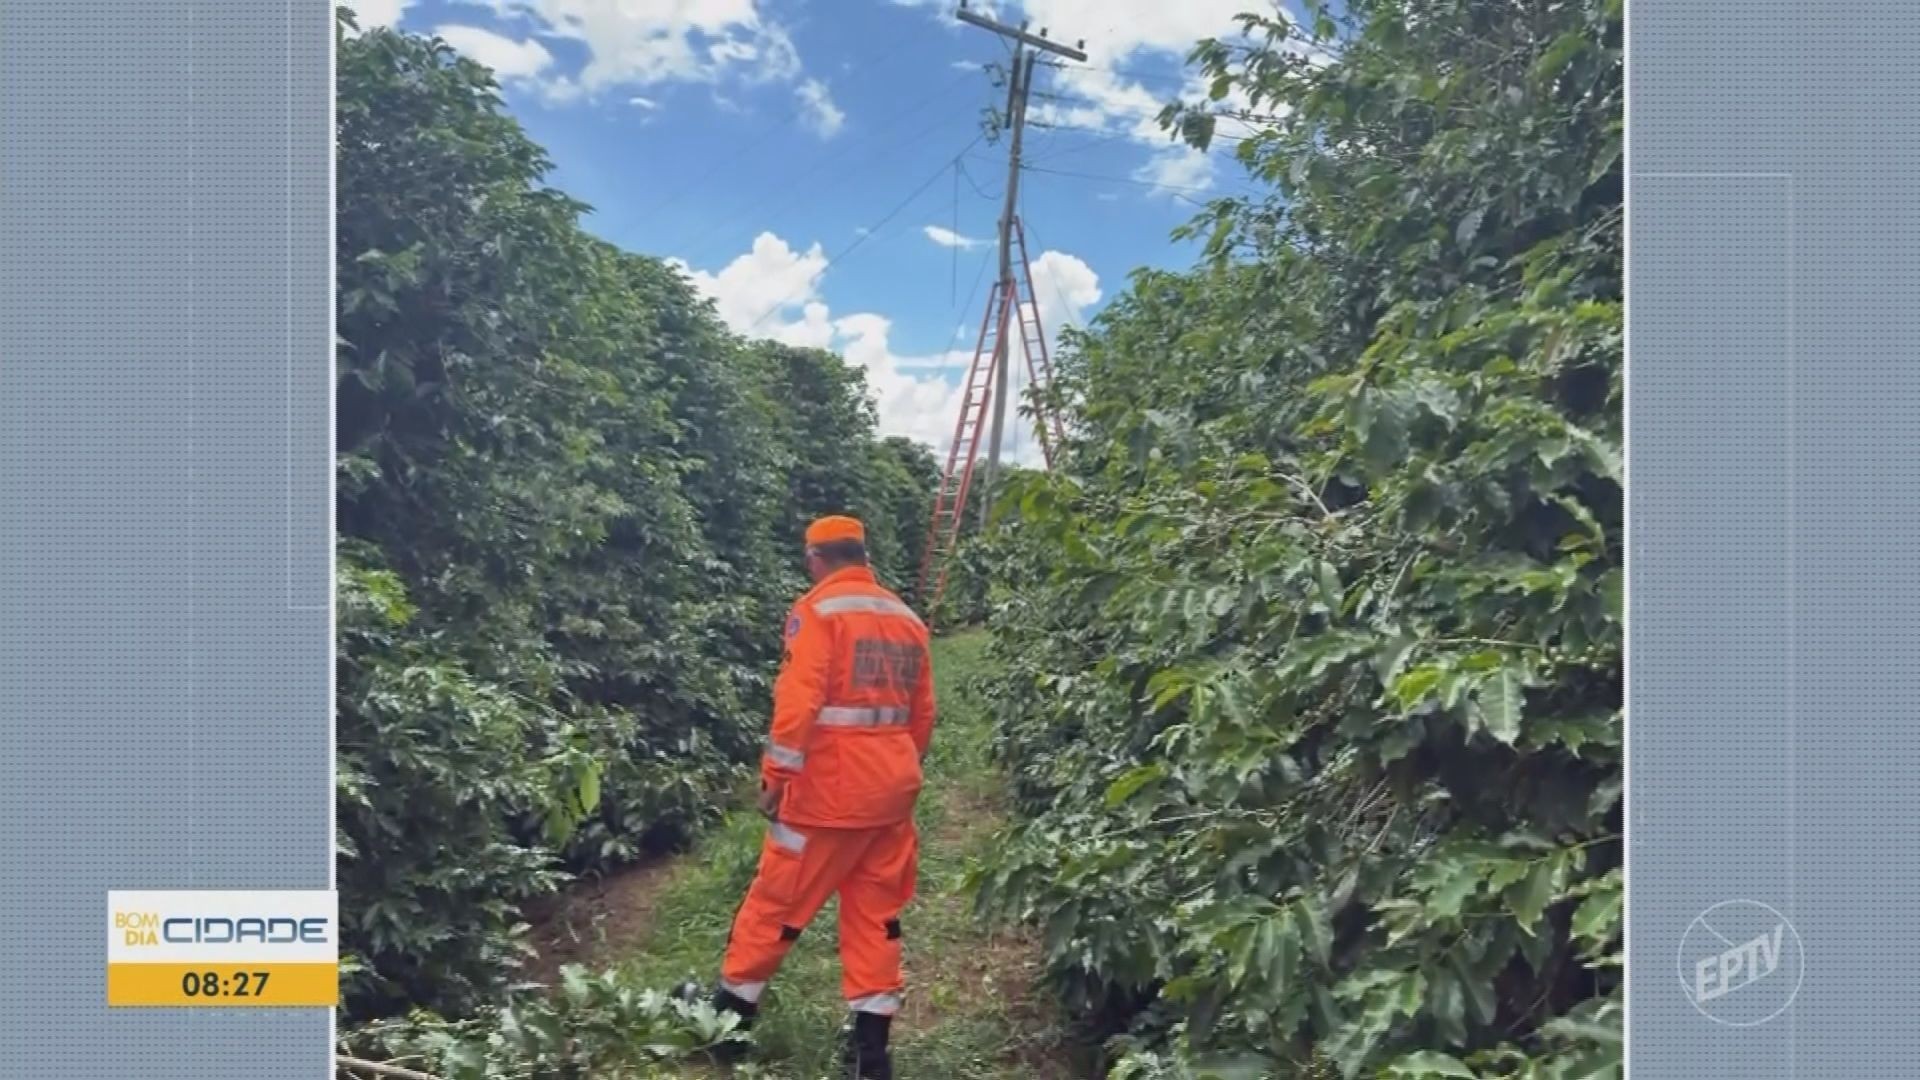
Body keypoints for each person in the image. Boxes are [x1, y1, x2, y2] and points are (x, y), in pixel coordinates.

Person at [690, 514, 935, 1079]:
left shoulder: (817, 613)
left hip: (826, 796)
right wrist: (894, 769)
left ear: (815, 559)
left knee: (776, 905)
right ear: (864, 556)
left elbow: (798, 706)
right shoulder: (907, 620)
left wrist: (775, 778)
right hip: (889, 799)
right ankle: (870, 1056)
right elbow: (922, 716)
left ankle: (728, 1022)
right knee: (877, 917)